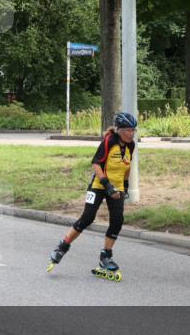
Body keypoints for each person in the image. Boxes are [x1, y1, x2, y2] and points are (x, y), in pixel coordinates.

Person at [47, 112, 137, 281]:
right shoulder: (109, 141)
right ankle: (62, 246)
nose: (132, 133)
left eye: (134, 130)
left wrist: (125, 186)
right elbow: (96, 164)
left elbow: (127, 166)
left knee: (117, 220)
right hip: (99, 185)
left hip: (117, 187)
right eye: (129, 130)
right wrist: (107, 185)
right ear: (120, 130)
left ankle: (105, 257)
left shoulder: (130, 145)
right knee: (87, 217)